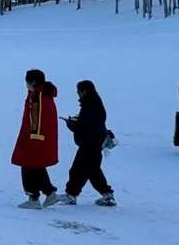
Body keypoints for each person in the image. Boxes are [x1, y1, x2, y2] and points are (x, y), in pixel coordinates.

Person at [11, 68, 61, 208]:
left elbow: (36, 121)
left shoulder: (37, 97)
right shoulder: (43, 94)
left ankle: (33, 198)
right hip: (41, 138)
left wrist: (34, 140)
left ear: (32, 82)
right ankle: (50, 193)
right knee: (37, 166)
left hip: (34, 139)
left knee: (27, 164)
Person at [63, 80, 115, 206]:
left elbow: (87, 127)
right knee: (93, 171)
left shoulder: (90, 105)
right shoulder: (94, 103)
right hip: (94, 144)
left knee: (77, 171)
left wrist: (73, 125)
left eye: (78, 91)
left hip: (89, 144)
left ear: (84, 91)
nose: (77, 94)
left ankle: (71, 195)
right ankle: (107, 195)